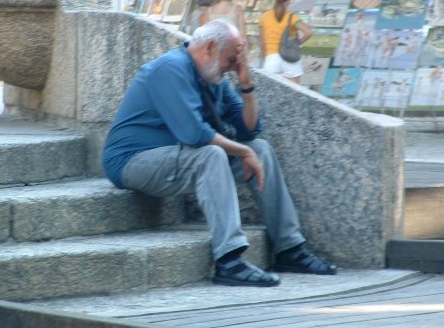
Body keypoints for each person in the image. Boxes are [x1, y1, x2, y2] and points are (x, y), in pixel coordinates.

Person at [102, 20, 337, 288]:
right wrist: (242, 150)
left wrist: (246, 84)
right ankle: (229, 260)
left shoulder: (214, 76)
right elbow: (194, 134)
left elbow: (249, 130)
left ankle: (289, 248)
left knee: (261, 149)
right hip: (133, 161)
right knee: (211, 155)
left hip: (177, 159)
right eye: (233, 56)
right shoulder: (171, 68)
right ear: (211, 47)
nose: (236, 62)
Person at [259, 0, 313, 84]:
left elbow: (262, 44)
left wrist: (267, 58)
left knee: (270, 94)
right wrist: (297, 44)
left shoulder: (264, 17)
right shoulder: (292, 17)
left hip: (271, 59)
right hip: (290, 58)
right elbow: (308, 32)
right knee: (294, 94)